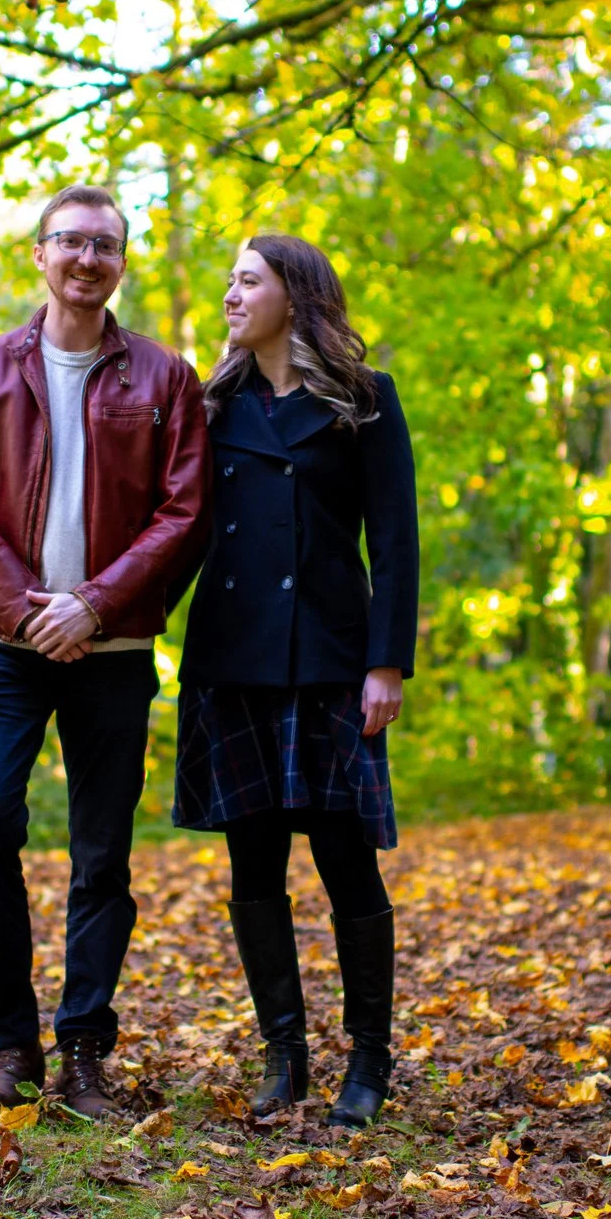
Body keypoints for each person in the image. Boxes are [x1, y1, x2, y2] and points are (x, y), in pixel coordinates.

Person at [0, 183, 210, 1119]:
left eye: (106, 247)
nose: (89, 260)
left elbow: (185, 514)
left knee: (102, 853)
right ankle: (11, 1043)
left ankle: (83, 1047)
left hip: (116, 644)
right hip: (3, 645)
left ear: (121, 264)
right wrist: (27, 611)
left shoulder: (166, 378)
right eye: (72, 243)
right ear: (39, 256)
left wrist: (92, 605)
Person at [174, 233, 418, 1129]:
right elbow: (180, 529)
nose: (231, 295)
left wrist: (385, 660)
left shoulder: (364, 401)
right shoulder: (211, 401)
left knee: (347, 863)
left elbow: (394, 539)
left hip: (330, 660)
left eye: (248, 280)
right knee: (252, 867)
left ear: (294, 294)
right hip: (233, 660)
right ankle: (285, 1054)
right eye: (231, 282)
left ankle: (369, 1060)